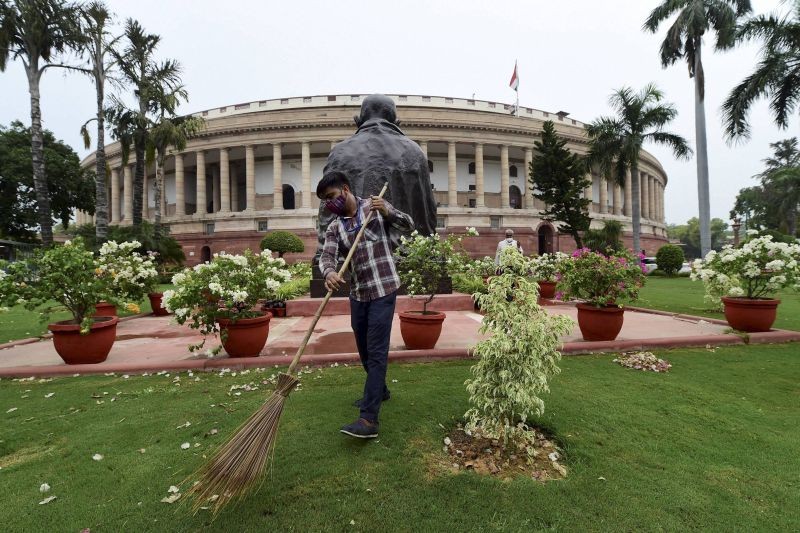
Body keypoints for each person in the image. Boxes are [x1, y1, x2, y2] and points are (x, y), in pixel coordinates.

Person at [317, 170, 414, 439]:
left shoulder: (373, 206)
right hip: (358, 292)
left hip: (384, 288)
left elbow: (409, 225)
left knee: (376, 349)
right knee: (363, 349)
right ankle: (380, 391)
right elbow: (326, 257)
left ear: (345, 190)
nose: (330, 203)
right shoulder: (335, 227)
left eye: (332, 196)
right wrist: (329, 273)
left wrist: (389, 212)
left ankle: (369, 419)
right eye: (325, 201)